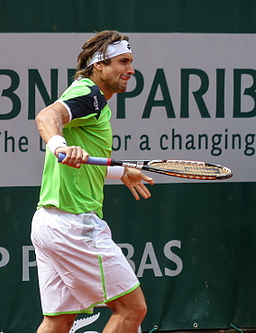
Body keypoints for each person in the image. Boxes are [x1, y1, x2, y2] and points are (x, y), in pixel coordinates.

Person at [31, 30, 154, 333]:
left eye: (131, 61)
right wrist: (60, 147)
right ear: (100, 65)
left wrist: (121, 172)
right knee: (131, 310)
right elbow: (46, 117)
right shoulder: (91, 95)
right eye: (123, 62)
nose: (131, 69)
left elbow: (83, 164)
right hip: (75, 226)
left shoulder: (90, 98)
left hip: (48, 222)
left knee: (58, 320)